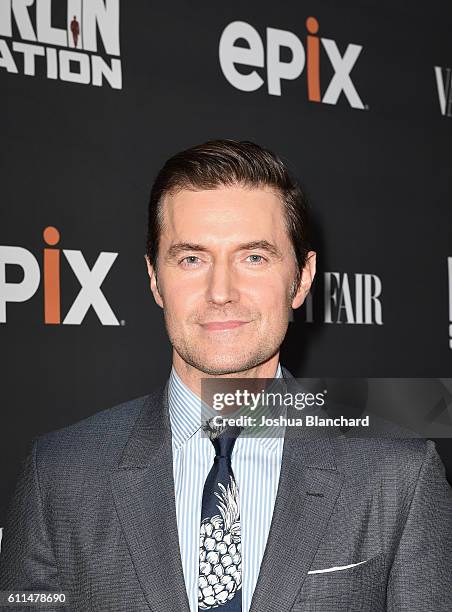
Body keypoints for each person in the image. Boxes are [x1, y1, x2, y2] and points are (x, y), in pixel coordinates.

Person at [0, 140, 451, 611]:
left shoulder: (398, 474)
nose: (221, 292)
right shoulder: (59, 473)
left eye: (253, 257)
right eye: (191, 258)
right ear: (155, 278)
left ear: (302, 278)